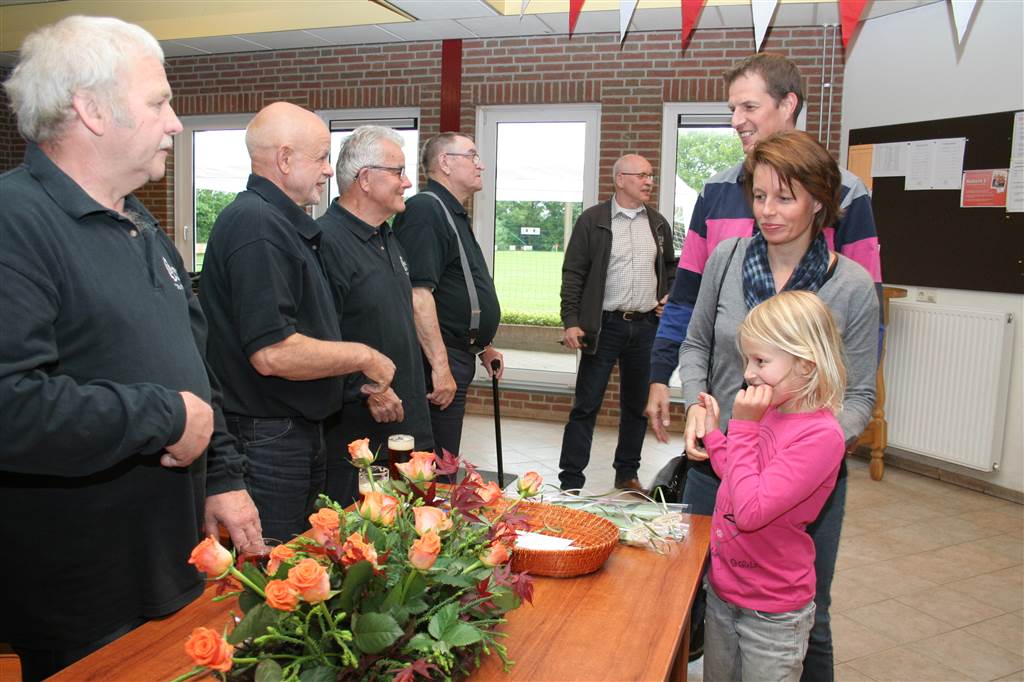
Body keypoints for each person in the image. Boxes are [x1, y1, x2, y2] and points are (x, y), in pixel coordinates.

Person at [0, 16, 261, 681]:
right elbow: (10, 406)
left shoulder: (138, 221)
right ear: (91, 110)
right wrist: (165, 417)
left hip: (173, 559)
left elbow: (193, 364)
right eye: (159, 102)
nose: (175, 122)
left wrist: (223, 476)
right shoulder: (13, 222)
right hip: (82, 591)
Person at [678, 130, 879, 679]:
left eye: (784, 198)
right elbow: (695, 345)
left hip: (802, 479)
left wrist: (810, 450)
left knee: (808, 621)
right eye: (760, 196)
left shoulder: (852, 285)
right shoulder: (726, 259)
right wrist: (696, 405)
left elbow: (860, 393)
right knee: (703, 600)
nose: (767, 211)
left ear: (819, 201)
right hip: (721, 460)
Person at [646, 52, 882, 442]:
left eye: (749, 106)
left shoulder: (849, 197)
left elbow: (863, 340)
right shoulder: (717, 197)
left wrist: (824, 442)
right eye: (759, 196)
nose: (736, 120)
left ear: (788, 105)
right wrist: (665, 377)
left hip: (804, 447)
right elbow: (689, 307)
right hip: (724, 436)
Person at [199, 102, 395, 542]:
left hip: (292, 430)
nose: (328, 170)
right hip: (268, 435)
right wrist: (363, 356)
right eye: (322, 157)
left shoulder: (281, 221)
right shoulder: (258, 225)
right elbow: (273, 353)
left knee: (303, 555)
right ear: (284, 159)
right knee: (278, 563)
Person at [700, 290, 847, 682]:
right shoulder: (770, 411)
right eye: (747, 360)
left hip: (772, 614)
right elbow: (739, 477)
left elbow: (750, 512)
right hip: (724, 593)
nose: (748, 373)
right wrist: (714, 436)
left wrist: (743, 426)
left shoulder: (820, 436)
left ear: (806, 364)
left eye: (760, 361)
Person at [317, 126, 433, 506]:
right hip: (362, 436)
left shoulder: (386, 235)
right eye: (398, 172)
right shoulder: (326, 242)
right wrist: (365, 387)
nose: (407, 182)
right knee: (364, 533)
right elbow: (320, 337)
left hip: (405, 424)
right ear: (365, 179)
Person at [557, 154, 676, 492]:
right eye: (641, 175)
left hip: (646, 328)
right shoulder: (592, 220)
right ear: (620, 179)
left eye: (651, 175)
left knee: (637, 407)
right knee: (586, 406)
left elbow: (670, 268)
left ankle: (627, 473)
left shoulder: (658, 224)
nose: (648, 181)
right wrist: (571, 320)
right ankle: (571, 480)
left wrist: (669, 296)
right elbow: (573, 273)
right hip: (604, 327)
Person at [392, 133, 503, 458]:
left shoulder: (449, 211)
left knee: (444, 459)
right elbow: (417, 294)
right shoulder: (426, 209)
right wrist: (440, 367)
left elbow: (455, 288)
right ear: (445, 162)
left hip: (457, 353)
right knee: (435, 465)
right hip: (436, 358)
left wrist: (482, 345)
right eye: (472, 155)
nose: (480, 165)